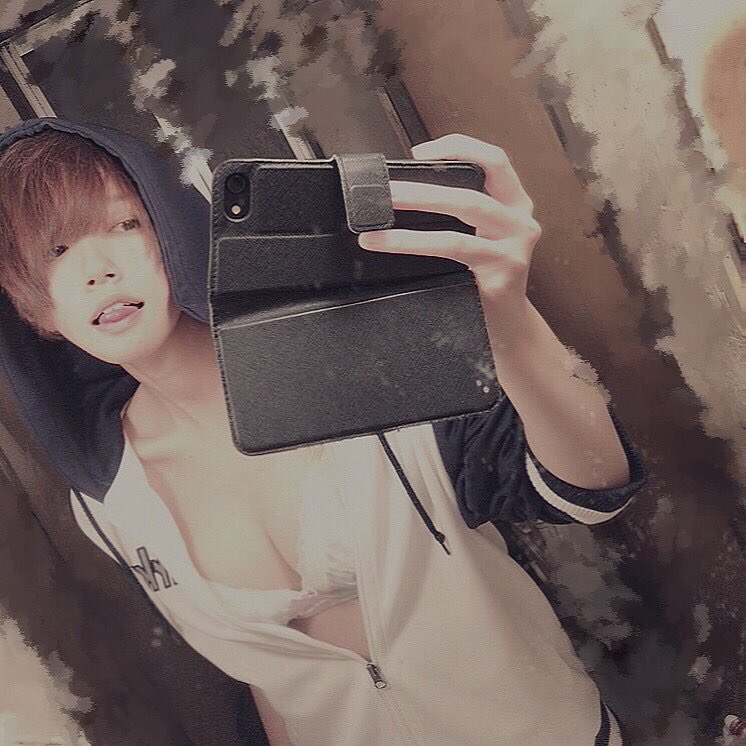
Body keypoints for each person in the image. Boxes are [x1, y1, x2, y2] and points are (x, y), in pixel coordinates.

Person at [0, 117, 647, 745]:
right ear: (29, 306)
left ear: (173, 227)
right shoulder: (108, 500)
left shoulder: (355, 359)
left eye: (123, 224)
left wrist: (508, 318)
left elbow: (591, 489)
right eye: (55, 251)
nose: (97, 269)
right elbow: (275, 681)